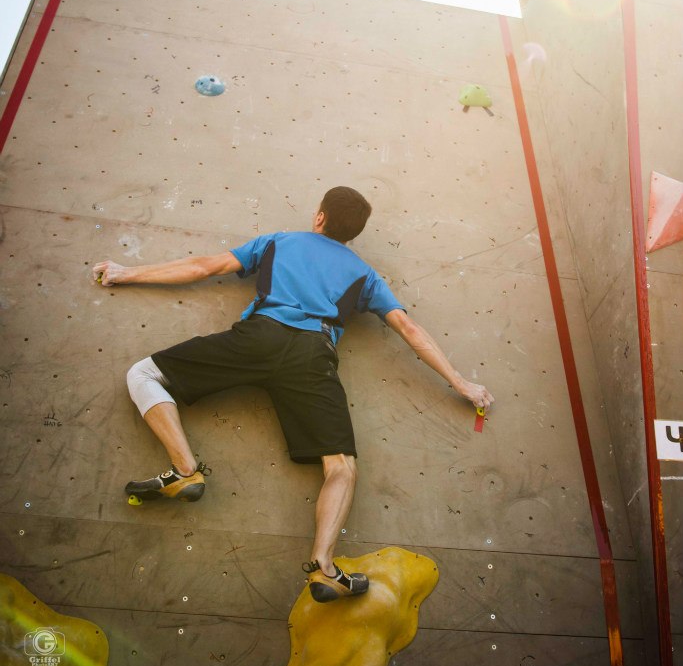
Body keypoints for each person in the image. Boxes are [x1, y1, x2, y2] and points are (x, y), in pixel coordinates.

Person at [93, 186, 494, 603]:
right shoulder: (365, 275)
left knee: (144, 374)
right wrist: (462, 383)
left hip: (259, 338)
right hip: (312, 356)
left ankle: (185, 469)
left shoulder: (279, 242)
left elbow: (204, 266)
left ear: (320, 218)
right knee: (341, 467)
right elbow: (409, 329)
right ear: (353, 234)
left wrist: (127, 272)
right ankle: (324, 568)